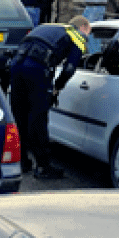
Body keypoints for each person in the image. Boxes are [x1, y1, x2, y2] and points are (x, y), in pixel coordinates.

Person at [7, 16, 89, 179]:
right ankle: (43, 167)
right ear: (83, 27)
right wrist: (58, 87)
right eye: (88, 33)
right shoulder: (76, 36)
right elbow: (69, 69)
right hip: (37, 71)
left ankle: (22, 162)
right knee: (38, 119)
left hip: (16, 67)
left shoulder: (47, 27)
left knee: (20, 116)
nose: (87, 38)